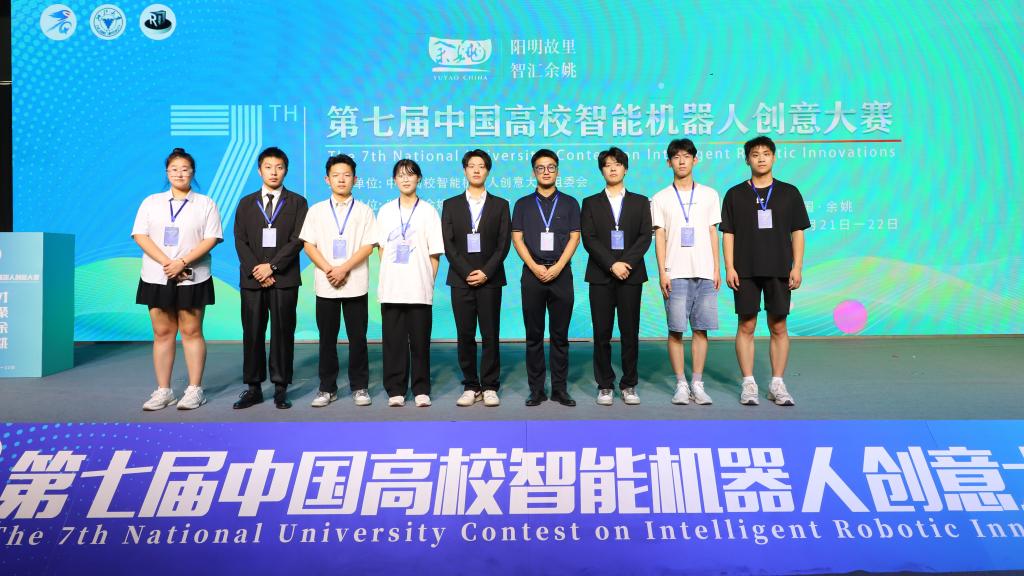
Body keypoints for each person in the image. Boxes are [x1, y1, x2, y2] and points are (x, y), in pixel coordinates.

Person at [721, 136, 810, 406]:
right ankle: (748, 383)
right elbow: (728, 233)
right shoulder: (735, 194)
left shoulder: (789, 192)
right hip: (745, 269)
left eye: (766, 153)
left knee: (779, 326)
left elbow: (797, 232)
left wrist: (797, 266)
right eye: (755, 154)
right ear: (747, 159)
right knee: (746, 325)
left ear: (774, 157)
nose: (761, 158)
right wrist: (729, 267)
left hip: (779, 268)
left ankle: (777, 384)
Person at [132, 147, 223, 411]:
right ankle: (164, 391)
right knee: (162, 333)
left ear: (193, 172)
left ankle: (195, 390)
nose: (179, 174)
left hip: (193, 276)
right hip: (156, 275)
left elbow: (212, 238)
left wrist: (181, 263)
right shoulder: (151, 202)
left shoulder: (205, 203)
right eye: (174, 169)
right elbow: (140, 235)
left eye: (185, 169)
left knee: (191, 331)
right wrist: (167, 263)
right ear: (167, 172)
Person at [232, 147, 308, 409]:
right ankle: (253, 388)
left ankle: (280, 387)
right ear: (259, 170)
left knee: (283, 332)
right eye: (268, 167)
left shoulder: (298, 202)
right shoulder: (246, 203)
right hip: (252, 280)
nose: (273, 172)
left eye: (279, 167)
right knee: (252, 332)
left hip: (284, 279)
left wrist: (272, 267)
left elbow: (298, 239)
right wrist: (258, 270)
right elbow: (240, 240)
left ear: (286, 170)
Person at [299, 153, 377, 408]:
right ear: (327, 179)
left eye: (346, 175)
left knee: (358, 338)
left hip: (355, 284)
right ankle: (327, 388)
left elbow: (368, 246)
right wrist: (329, 269)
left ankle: (360, 386)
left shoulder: (364, 211)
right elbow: (309, 245)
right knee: (327, 339)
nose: (341, 179)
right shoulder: (317, 211)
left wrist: (344, 269)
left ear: (355, 179)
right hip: (326, 284)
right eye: (336, 175)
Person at [651, 138, 721, 406]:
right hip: (675, 272)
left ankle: (697, 383)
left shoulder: (709, 194)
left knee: (701, 330)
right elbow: (659, 236)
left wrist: (716, 268)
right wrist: (662, 272)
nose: (682, 161)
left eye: (686, 156)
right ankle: (681, 383)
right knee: (676, 330)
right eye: (676, 157)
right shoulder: (660, 198)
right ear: (669, 163)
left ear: (695, 159)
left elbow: (713, 232)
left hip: (704, 271)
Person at [580, 147, 652, 406]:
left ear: (625, 169)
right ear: (602, 170)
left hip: (631, 276)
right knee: (602, 332)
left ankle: (629, 384)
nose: (612, 168)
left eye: (617, 164)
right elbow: (589, 238)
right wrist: (612, 265)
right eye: (607, 164)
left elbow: (645, 236)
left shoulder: (640, 202)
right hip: (601, 275)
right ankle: (605, 385)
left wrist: (626, 264)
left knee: (629, 331)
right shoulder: (590, 202)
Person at [441, 149, 512, 407]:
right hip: (460, 280)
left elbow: (503, 244)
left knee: (491, 333)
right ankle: (471, 385)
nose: (476, 170)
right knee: (465, 334)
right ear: (465, 170)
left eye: (481, 166)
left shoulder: (500, 205)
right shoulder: (450, 204)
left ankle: (490, 385)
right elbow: (448, 244)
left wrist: (486, 272)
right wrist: (466, 271)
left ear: (488, 171)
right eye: (472, 166)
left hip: (490, 280)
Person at [511, 149, 581, 407]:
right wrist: (534, 266)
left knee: (560, 336)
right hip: (533, 275)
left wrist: (559, 266)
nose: (546, 172)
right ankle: (537, 390)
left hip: (561, 274)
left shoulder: (570, 203)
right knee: (534, 335)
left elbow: (575, 237)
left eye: (551, 167)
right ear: (534, 172)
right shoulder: (522, 204)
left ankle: (560, 389)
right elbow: (517, 238)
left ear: (558, 171)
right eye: (540, 168)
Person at [376, 159, 444, 407]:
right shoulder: (385, 211)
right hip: (392, 288)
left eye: (410, 174)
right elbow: (381, 249)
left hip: (419, 288)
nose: (406, 179)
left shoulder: (428, 211)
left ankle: (421, 388)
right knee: (393, 342)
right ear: (394, 180)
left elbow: (435, 253)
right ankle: (396, 389)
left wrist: (428, 281)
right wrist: (392, 274)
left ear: (419, 179)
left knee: (420, 342)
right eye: (401, 175)